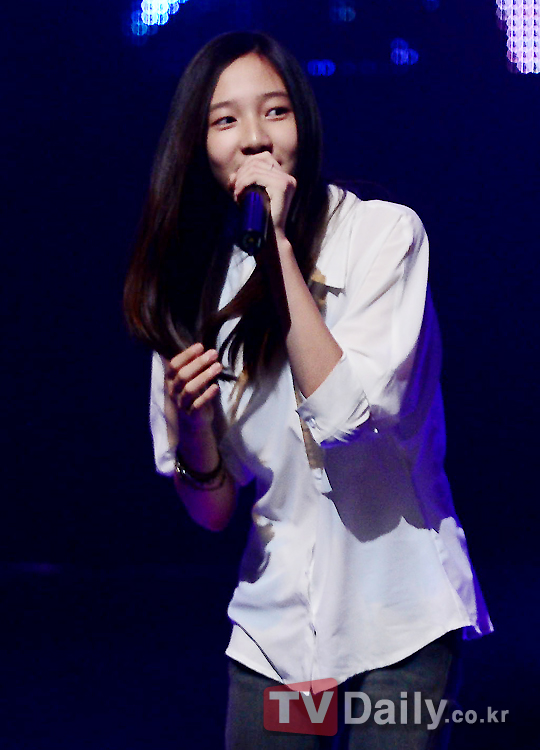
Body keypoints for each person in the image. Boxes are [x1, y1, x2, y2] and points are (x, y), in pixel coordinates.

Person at [124, 31, 492, 749]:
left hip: (401, 624)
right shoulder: (194, 286)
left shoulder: (384, 236)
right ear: (198, 143)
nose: (255, 139)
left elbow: (348, 419)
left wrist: (278, 251)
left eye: (276, 111)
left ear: (305, 122)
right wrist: (194, 430)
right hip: (278, 638)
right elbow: (212, 512)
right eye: (225, 120)